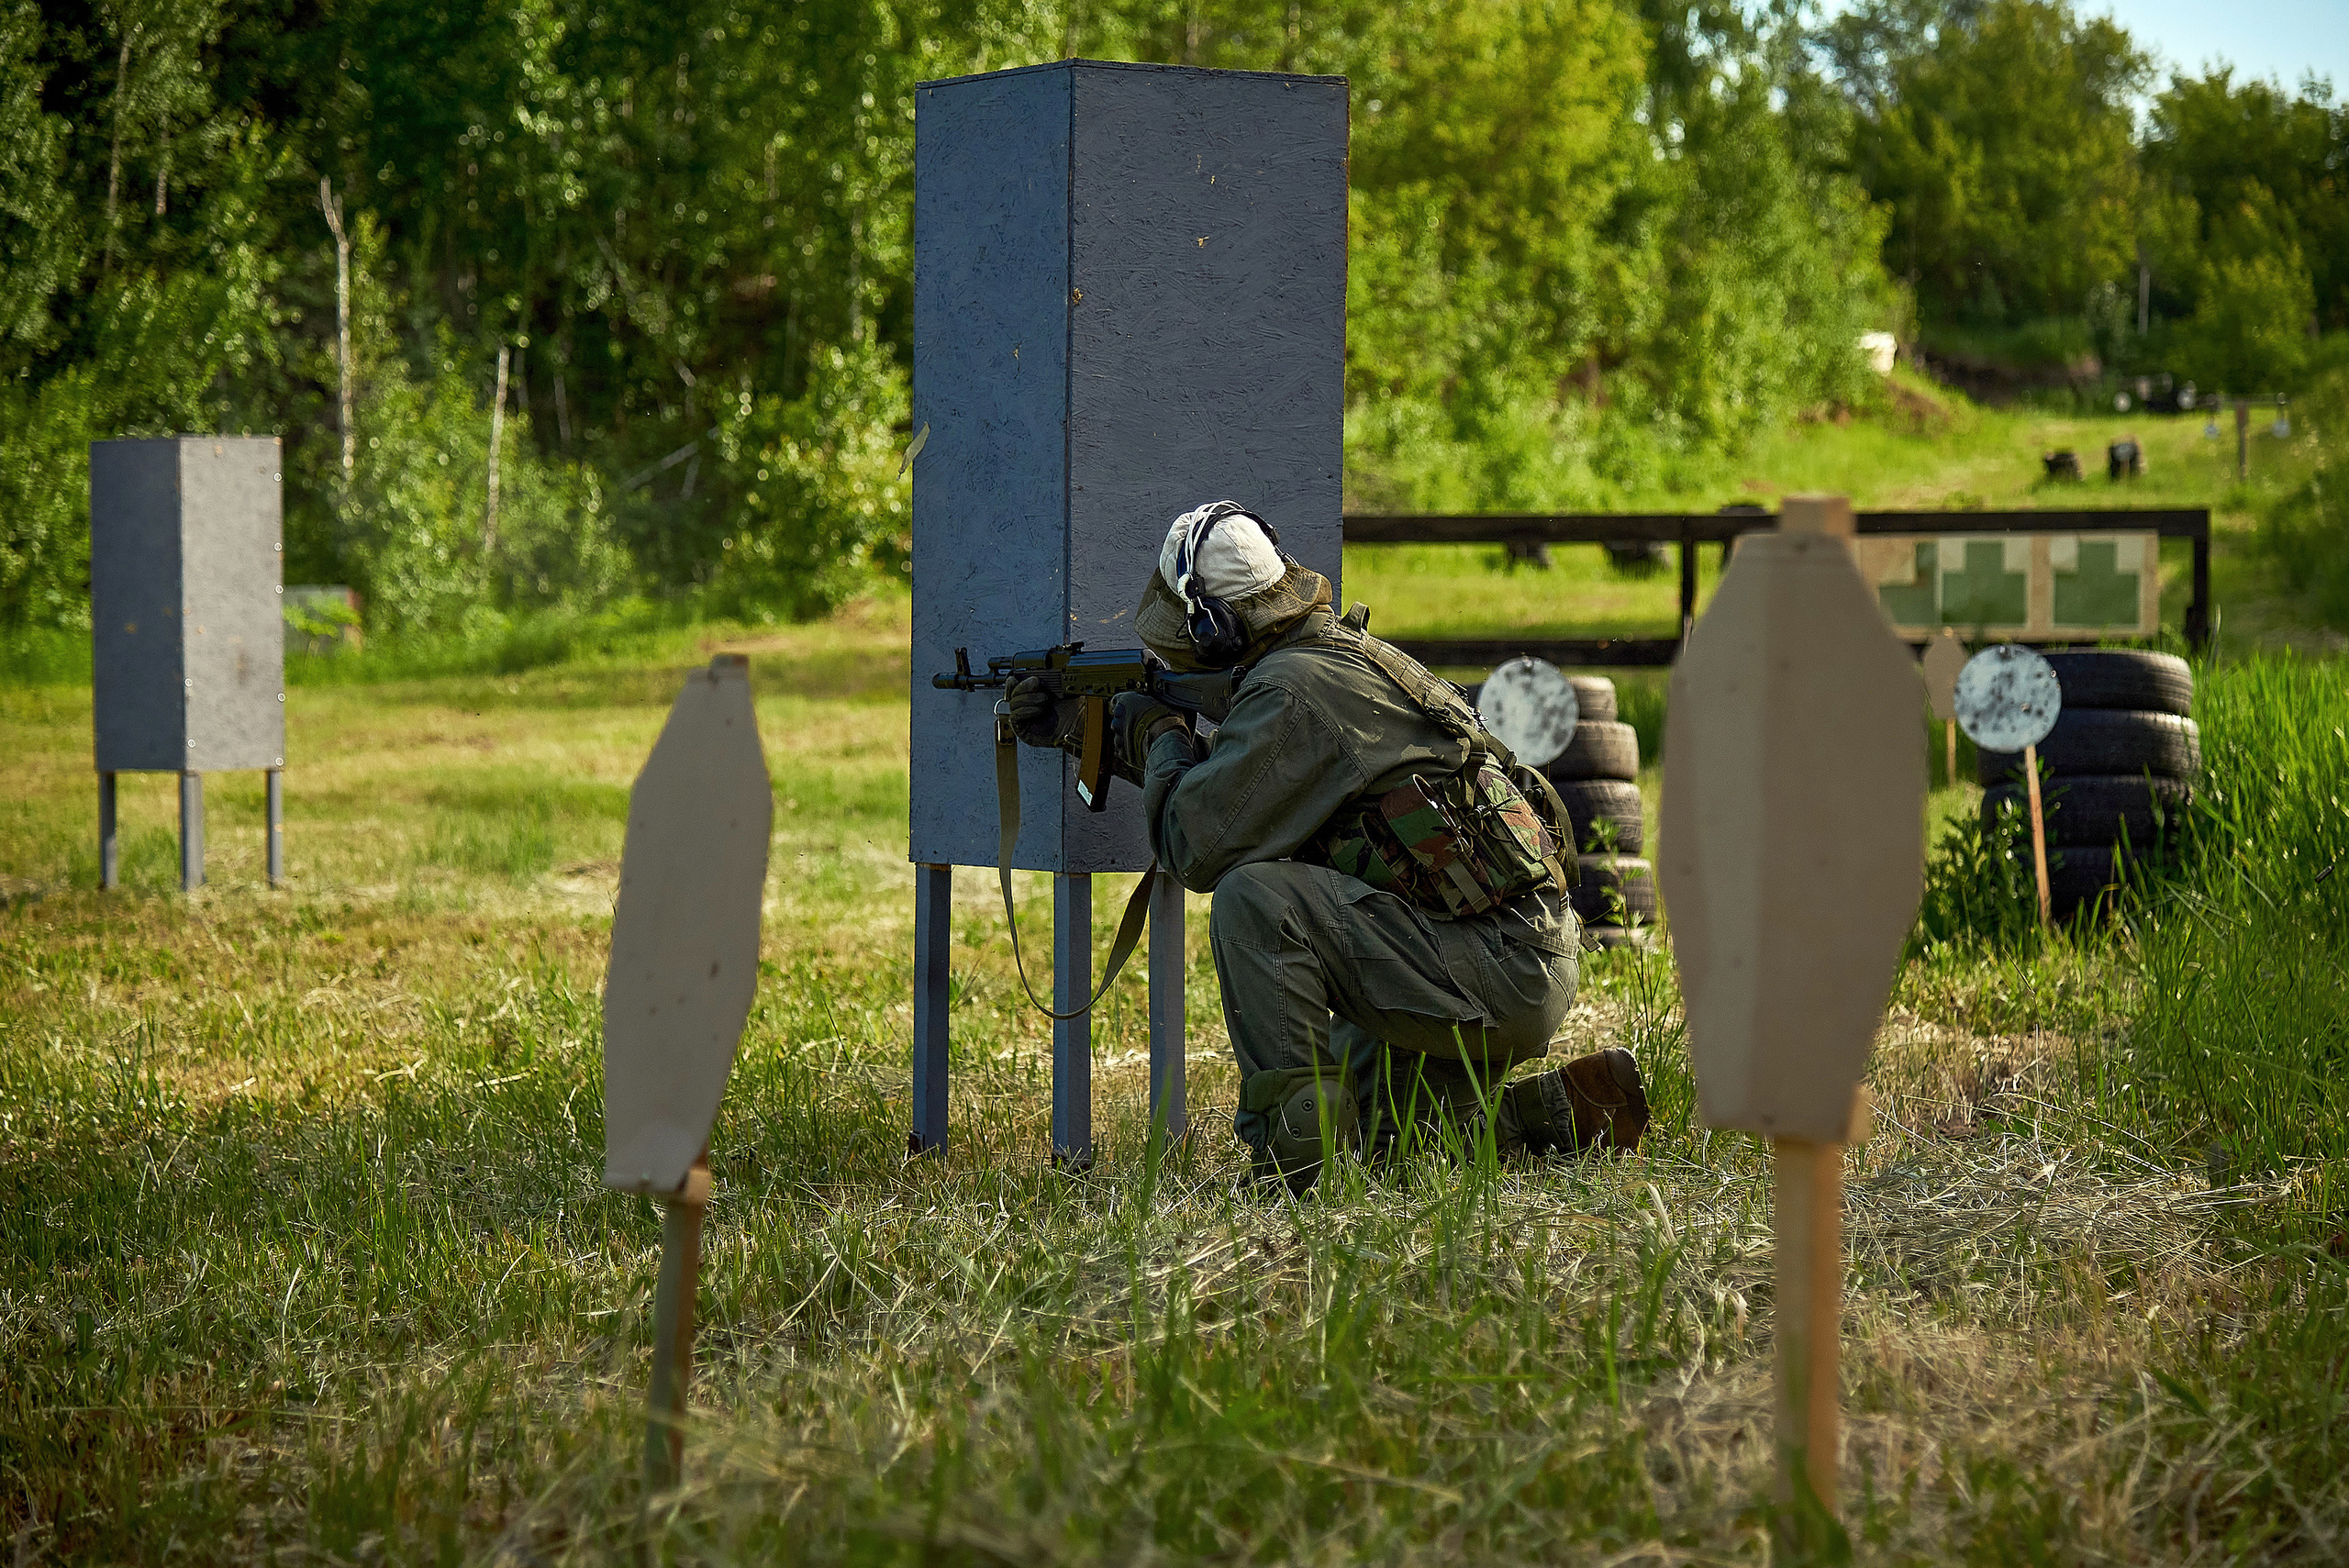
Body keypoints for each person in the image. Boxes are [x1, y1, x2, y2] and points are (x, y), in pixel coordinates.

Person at [1008, 500, 1648, 1190]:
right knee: (1394, 1146)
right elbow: (1245, 791)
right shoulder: (1336, 659)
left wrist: (1159, 733)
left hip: (1488, 964)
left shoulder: (1291, 693)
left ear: (1216, 627)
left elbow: (1194, 846)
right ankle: (1559, 1112)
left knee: (1255, 899)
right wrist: (1084, 728)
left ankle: (1297, 1165)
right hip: (1501, 950)